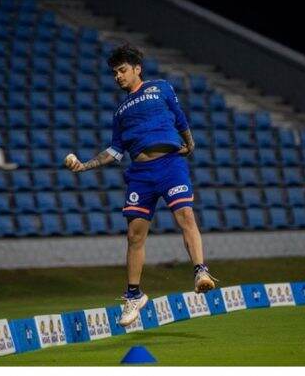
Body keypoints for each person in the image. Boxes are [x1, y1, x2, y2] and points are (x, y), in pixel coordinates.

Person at [64, 44, 216, 326]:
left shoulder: (161, 88)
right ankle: (134, 295)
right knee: (134, 235)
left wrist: (190, 145)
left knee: (185, 216)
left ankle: (200, 272)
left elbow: (180, 120)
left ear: (137, 69)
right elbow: (115, 151)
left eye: (122, 70)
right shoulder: (120, 111)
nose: (118, 76)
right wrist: (84, 166)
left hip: (170, 164)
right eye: (114, 73)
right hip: (140, 173)